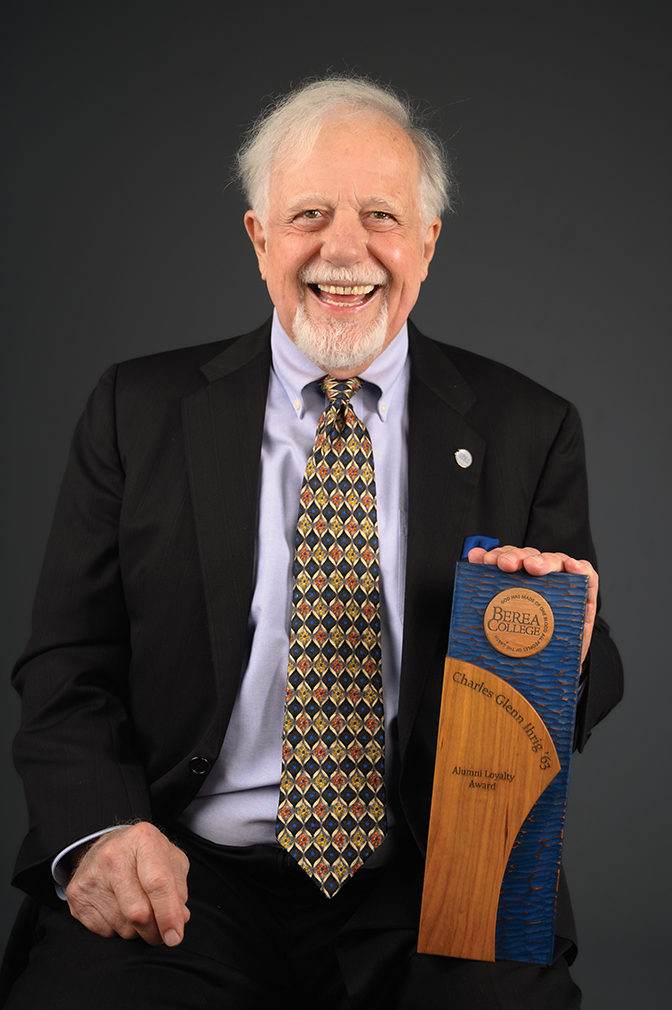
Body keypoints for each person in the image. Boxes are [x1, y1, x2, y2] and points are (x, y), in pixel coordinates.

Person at [3, 75, 623, 1009]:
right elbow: (68, 662)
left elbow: (587, 678)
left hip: (431, 884)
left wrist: (567, 654)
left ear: (427, 242)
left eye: (381, 213)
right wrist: (99, 831)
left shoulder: (529, 426)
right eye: (309, 215)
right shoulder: (138, 410)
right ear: (260, 239)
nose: (345, 248)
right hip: (185, 871)